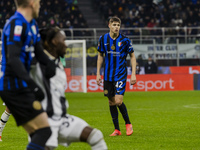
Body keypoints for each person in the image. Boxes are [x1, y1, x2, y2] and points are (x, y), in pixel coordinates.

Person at [29, 27, 107, 150]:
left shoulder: (56, 63)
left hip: (62, 119)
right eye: (63, 40)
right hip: (44, 122)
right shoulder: (36, 63)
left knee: (95, 136)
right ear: (54, 42)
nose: (66, 45)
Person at [0, 0, 56, 149]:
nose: (40, 4)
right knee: (44, 132)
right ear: (31, 2)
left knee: (40, 135)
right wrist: (32, 85)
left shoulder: (32, 24)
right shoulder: (16, 24)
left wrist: (50, 63)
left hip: (21, 86)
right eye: (38, 1)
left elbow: (38, 51)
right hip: (13, 87)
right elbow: (13, 59)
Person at [96, 16, 137, 136]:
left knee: (119, 101)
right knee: (111, 102)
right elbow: (100, 56)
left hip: (120, 75)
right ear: (109, 25)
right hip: (108, 75)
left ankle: (128, 124)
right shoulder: (103, 39)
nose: (116, 27)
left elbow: (133, 56)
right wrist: (98, 73)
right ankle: (117, 130)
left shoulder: (125, 40)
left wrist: (133, 74)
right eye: (114, 25)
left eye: (118, 25)